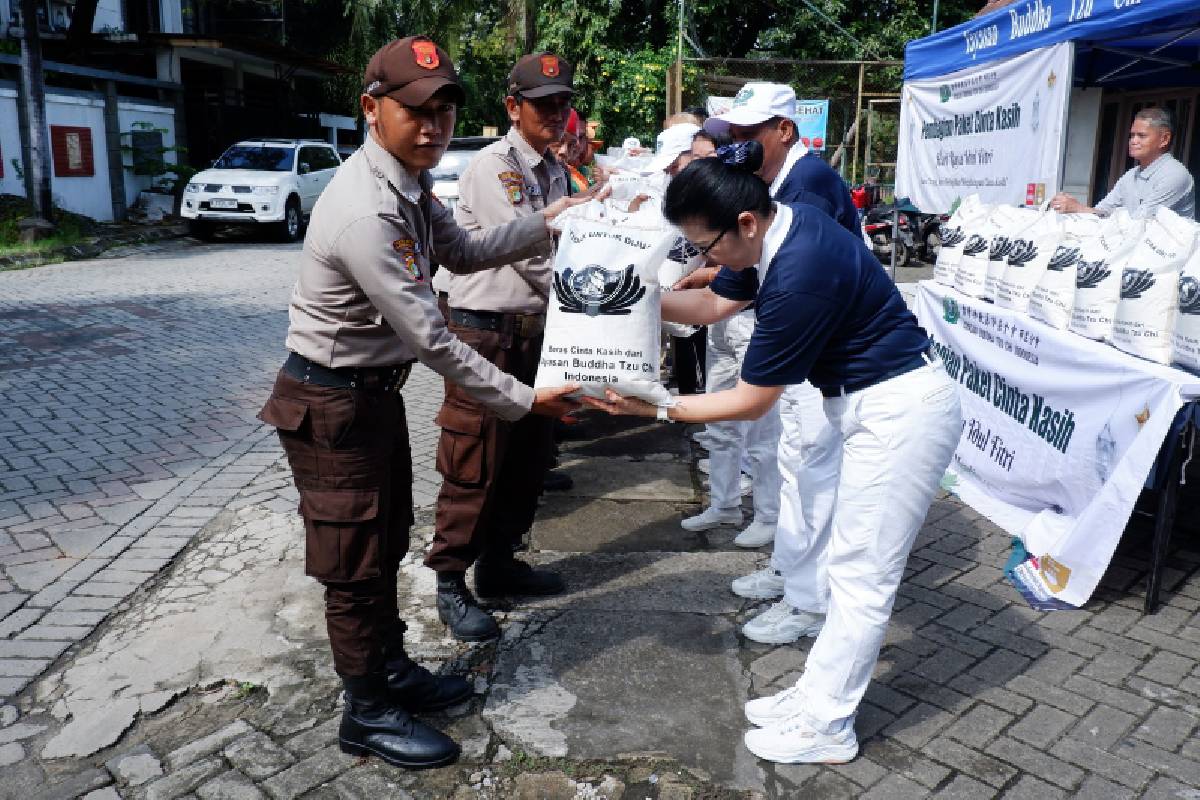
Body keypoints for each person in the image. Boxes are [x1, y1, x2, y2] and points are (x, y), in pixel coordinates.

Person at [257, 36, 588, 770]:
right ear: (372, 109)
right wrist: (528, 399)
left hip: (369, 399)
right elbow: (436, 340)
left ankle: (391, 669)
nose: (434, 126)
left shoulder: (409, 182)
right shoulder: (368, 212)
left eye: (444, 111)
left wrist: (550, 219)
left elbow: (465, 253)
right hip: (328, 406)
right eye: (416, 111)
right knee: (352, 564)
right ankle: (366, 711)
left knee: (383, 544)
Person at [590, 141, 962, 764]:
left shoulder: (800, 272)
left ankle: (828, 725)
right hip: (866, 402)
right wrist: (626, 299)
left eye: (705, 249)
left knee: (862, 576)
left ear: (744, 223)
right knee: (849, 563)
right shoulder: (773, 224)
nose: (704, 261)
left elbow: (750, 401)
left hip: (900, 410)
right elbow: (711, 304)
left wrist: (651, 407)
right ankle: (818, 693)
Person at [690, 82, 863, 643]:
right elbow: (726, 293)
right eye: (730, 135)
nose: (734, 147)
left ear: (784, 131)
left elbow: (784, 283)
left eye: (747, 135)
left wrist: (661, 407)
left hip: (827, 355)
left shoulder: (808, 186)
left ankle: (810, 603)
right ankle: (792, 572)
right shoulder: (777, 183)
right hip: (811, 354)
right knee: (795, 465)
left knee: (811, 470)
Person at [427, 52, 577, 642]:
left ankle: (500, 562)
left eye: (563, 102)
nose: (556, 113)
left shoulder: (552, 168)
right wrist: (595, 306)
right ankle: (449, 580)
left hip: (532, 333)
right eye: (544, 104)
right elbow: (534, 254)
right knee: (475, 459)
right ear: (514, 107)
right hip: (482, 331)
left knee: (528, 455)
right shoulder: (498, 167)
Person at [1051, 107, 1195, 220]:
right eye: (1132, 135)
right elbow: (1102, 212)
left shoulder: (1175, 175)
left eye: (1142, 136)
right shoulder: (1131, 175)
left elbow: (1139, 223)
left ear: (1164, 139)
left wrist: (1080, 209)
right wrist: (1076, 207)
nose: (1133, 141)